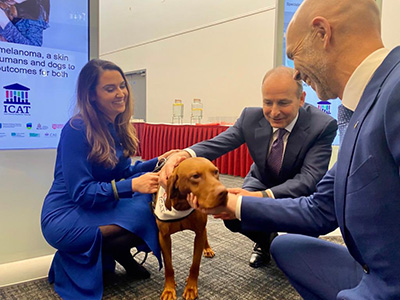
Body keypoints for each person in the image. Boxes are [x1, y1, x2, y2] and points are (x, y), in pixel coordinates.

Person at [187, 0, 400, 298]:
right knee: (285, 246)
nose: (297, 75)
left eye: (294, 56)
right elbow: (320, 209)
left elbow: (308, 185)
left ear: (322, 32)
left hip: (387, 283)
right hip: (365, 265)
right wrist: (233, 204)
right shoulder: (361, 109)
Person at [161, 66, 338, 268]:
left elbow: (308, 179)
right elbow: (218, 144)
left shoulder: (322, 126)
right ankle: (265, 242)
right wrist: (185, 153)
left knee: (304, 241)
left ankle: (291, 244)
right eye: (267, 102)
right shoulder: (250, 118)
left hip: (298, 191)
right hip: (261, 180)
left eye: (283, 103)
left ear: (301, 98)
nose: (274, 112)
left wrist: (262, 198)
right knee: (231, 215)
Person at [41, 59, 177, 300]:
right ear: (91, 95)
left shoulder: (117, 125)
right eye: (110, 88)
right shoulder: (75, 129)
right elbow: (81, 192)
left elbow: (123, 173)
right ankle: (87, 257)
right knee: (144, 213)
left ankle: (115, 255)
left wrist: (158, 161)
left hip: (97, 206)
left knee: (152, 208)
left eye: (122, 86)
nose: (120, 93)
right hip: (66, 213)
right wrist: (133, 185)